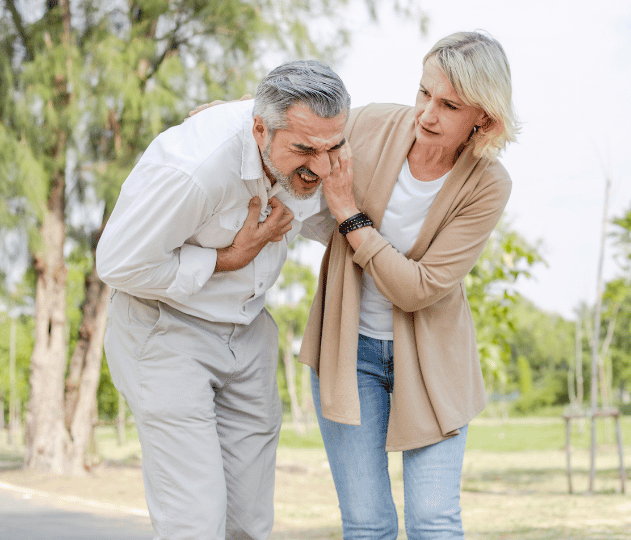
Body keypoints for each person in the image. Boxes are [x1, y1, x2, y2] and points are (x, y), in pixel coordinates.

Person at [97, 60, 349, 540]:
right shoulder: (193, 168)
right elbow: (118, 264)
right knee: (195, 521)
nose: (320, 165)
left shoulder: (312, 139)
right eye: (304, 150)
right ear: (259, 129)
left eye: (332, 147)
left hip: (249, 332)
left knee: (250, 524)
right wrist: (229, 258)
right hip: (165, 333)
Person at [303, 31, 518, 539]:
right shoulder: (373, 122)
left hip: (433, 365)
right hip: (348, 353)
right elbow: (296, 118)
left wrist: (347, 214)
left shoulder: (488, 184)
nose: (427, 113)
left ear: (482, 117)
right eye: (424, 93)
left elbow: (418, 288)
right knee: (367, 523)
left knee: (434, 522)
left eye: (449, 105)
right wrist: (226, 112)